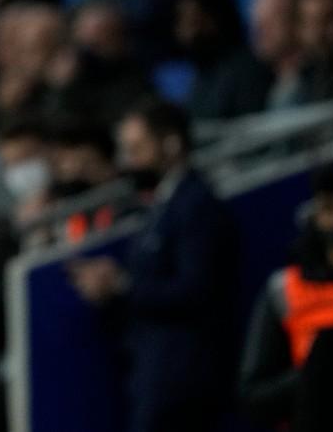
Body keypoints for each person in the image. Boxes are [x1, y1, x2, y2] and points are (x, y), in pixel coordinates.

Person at [69, 100, 238, 432]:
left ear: (171, 144)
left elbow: (196, 290)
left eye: (137, 149)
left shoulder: (196, 205)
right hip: (154, 374)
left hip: (182, 380)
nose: (128, 162)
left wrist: (121, 285)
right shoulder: (162, 205)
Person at [239, 163, 333, 432]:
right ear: (315, 215)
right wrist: (320, 375)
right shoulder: (284, 289)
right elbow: (254, 397)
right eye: (331, 209)